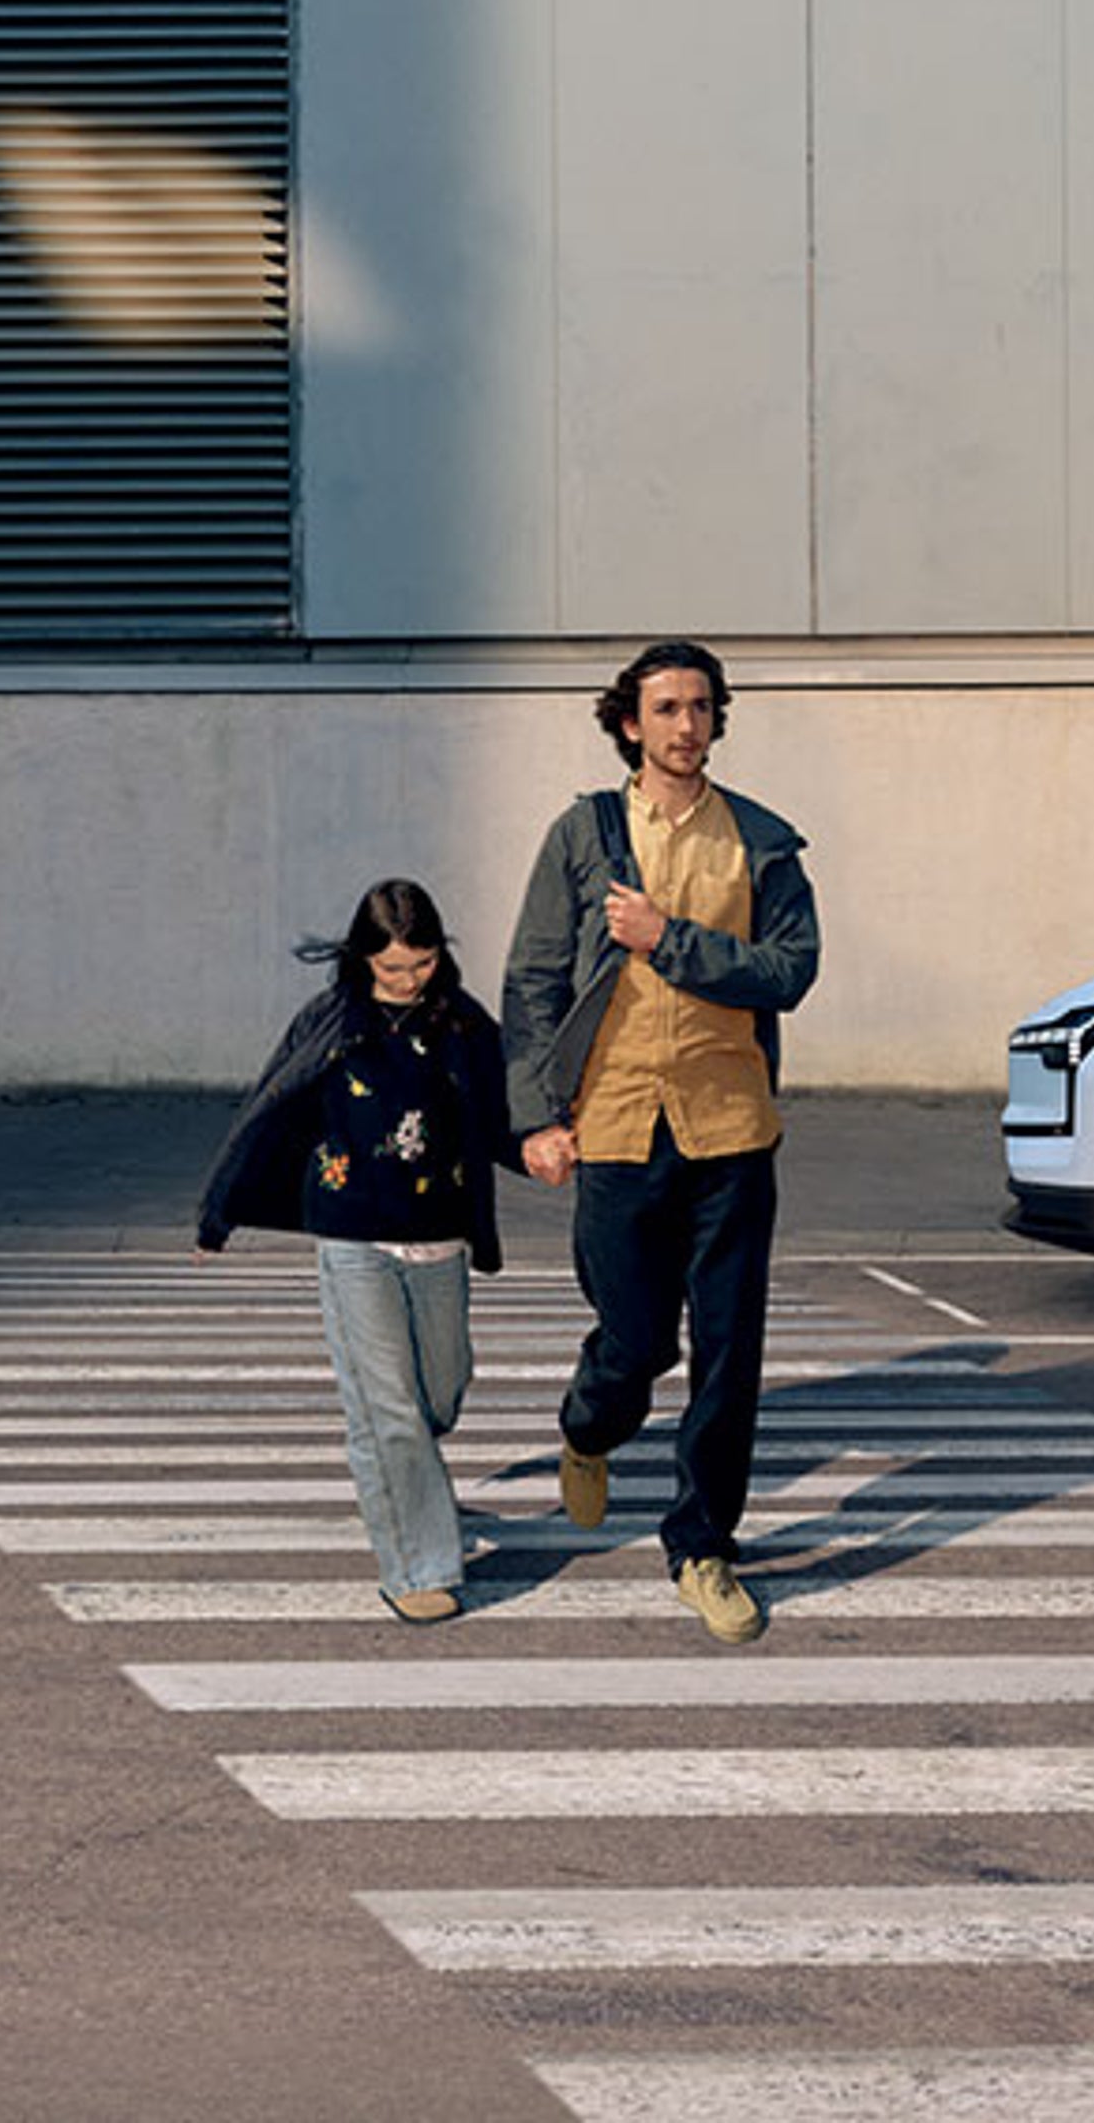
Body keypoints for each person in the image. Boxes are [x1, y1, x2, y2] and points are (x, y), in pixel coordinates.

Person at [501, 640, 822, 1644]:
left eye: (701, 707)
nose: (686, 725)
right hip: (614, 1126)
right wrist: (533, 1123)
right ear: (630, 723)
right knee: (636, 1340)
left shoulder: (761, 842)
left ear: (718, 720)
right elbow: (532, 982)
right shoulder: (585, 834)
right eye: (667, 708)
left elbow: (787, 972)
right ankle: (589, 1426)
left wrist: (668, 938)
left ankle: (702, 1545)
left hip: (729, 1129)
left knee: (729, 1356)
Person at [195, 878, 521, 1624]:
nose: (408, 980)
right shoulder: (334, 1018)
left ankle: (412, 1490)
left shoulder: (463, 1024)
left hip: (439, 1234)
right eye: (393, 968)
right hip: (353, 1237)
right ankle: (418, 1569)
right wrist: (217, 1216)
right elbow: (269, 1107)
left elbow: (500, 1115)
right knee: (388, 1413)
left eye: (423, 963)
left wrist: (542, 1146)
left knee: (439, 1395)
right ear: (364, 958)